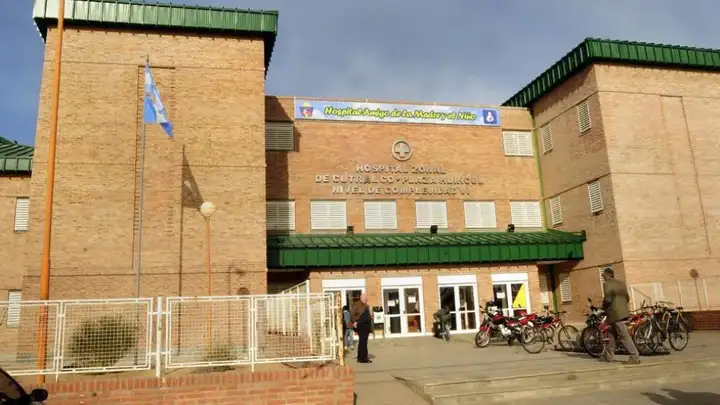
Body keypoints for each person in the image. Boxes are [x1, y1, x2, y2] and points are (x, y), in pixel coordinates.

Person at [601, 267, 641, 364]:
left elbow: (608, 299)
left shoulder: (607, 284)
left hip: (615, 313)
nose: (603, 277)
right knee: (613, 334)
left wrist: (603, 306)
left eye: (603, 275)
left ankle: (634, 356)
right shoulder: (621, 283)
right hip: (623, 311)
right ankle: (607, 355)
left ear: (607, 275)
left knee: (624, 335)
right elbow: (627, 298)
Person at [350, 293, 372, 363]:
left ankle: (363, 357)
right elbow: (352, 314)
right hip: (361, 325)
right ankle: (362, 358)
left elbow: (367, 315)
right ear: (362, 298)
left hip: (366, 326)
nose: (367, 299)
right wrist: (355, 321)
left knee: (364, 342)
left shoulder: (366, 306)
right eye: (366, 298)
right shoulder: (356, 304)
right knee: (362, 342)